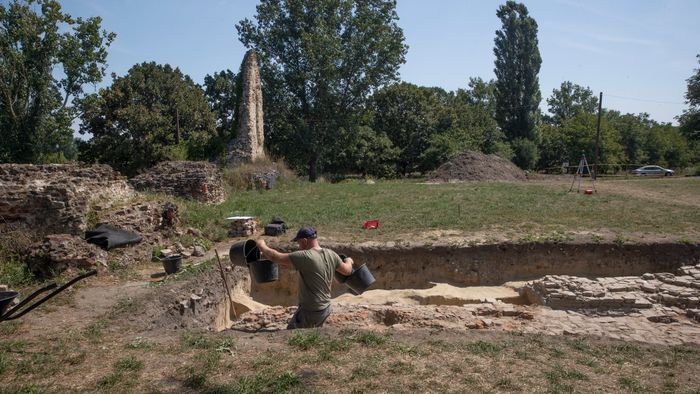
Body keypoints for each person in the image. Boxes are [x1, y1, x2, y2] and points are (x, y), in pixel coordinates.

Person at [256, 226, 353, 329]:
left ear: (305, 241)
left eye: (299, 242)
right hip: (325, 308)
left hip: (310, 311)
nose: (299, 246)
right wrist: (349, 261)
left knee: (291, 335)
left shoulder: (305, 256)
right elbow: (347, 271)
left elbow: (275, 257)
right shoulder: (331, 254)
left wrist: (262, 245)